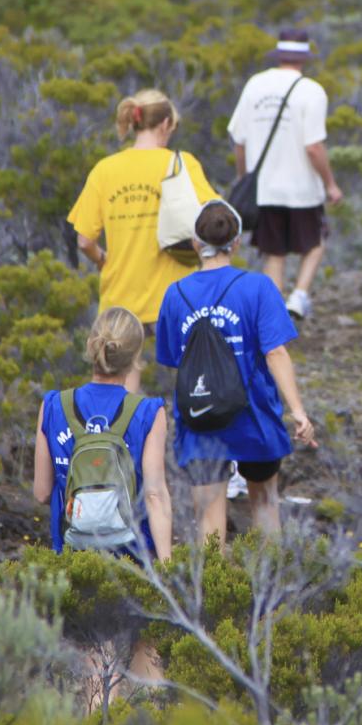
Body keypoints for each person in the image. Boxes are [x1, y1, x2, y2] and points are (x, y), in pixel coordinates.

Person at [155, 200, 317, 543]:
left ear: (196, 243)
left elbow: (173, 360)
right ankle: (269, 586)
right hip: (255, 415)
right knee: (265, 507)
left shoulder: (175, 294)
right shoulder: (258, 288)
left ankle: (214, 592)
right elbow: (275, 352)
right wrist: (298, 412)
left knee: (209, 521)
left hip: (200, 420)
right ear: (237, 242)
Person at [33, 307, 172, 691]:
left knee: (97, 665)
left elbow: (42, 491)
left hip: (76, 560)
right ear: (135, 358)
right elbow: (156, 495)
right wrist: (167, 568)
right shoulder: (148, 412)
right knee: (149, 653)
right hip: (134, 559)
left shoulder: (53, 406)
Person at [67, 90, 217, 329]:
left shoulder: (105, 170)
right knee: (183, 365)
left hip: (119, 299)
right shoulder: (181, 164)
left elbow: (84, 241)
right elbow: (215, 217)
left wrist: (101, 259)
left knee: (120, 366)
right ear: (166, 124)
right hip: (176, 297)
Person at [228, 28, 342, 321]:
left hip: (265, 188)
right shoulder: (312, 90)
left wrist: (245, 178)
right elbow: (314, 147)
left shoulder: (255, 85)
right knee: (315, 242)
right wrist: (330, 183)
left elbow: (239, 141)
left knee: (274, 251)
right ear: (304, 58)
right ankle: (300, 294)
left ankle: (276, 311)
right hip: (302, 188)